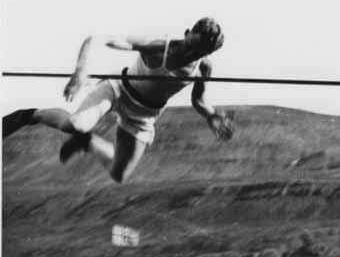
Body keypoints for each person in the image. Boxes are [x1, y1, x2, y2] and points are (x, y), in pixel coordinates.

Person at [2, 17, 233, 182]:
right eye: (190, 47)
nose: (189, 56)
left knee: (119, 175)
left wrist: (211, 116)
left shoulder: (204, 67)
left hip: (144, 115)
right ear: (186, 33)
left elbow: (199, 101)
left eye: (198, 53)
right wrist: (80, 71)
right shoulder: (158, 45)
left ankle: (87, 142)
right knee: (75, 124)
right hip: (118, 90)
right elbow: (97, 39)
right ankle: (29, 115)